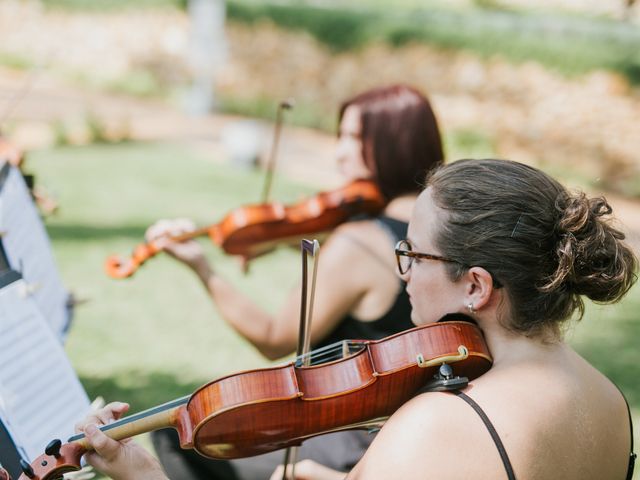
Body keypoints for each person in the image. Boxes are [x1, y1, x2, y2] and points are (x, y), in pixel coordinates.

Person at [75, 158, 637, 480]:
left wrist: (145, 475)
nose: (404, 273)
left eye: (413, 255)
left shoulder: (438, 424)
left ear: (475, 285)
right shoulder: (610, 401)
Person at [147, 84, 444, 479]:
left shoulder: (359, 243)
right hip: (412, 432)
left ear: (396, 143)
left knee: (180, 433)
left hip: (344, 440)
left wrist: (203, 268)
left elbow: (273, 338)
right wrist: (285, 238)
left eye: (355, 138)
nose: (339, 151)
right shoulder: (438, 230)